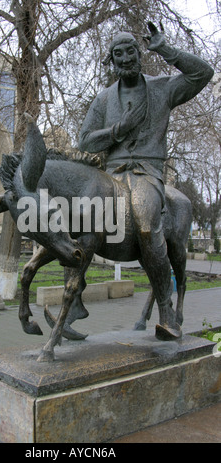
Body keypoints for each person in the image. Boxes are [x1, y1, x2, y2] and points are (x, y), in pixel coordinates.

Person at [78, 22, 214, 337]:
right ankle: (74, 303)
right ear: (112, 61)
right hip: (111, 175)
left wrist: (166, 48)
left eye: (130, 52)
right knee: (76, 218)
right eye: (118, 55)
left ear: (139, 54)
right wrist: (116, 131)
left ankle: (166, 311)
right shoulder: (104, 99)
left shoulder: (162, 88)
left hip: (146, 173)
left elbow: (202, 74)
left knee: (143, 219)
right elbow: (84, 141)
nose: (125, 59)